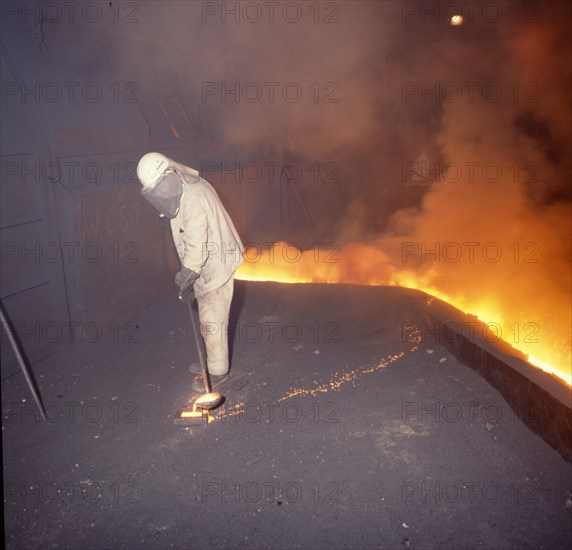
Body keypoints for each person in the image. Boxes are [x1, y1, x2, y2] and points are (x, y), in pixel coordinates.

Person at [137, 152, 244, 391]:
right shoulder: (184, 185)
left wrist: (186, 276)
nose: (161, 195)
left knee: (212, 319)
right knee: (207, 314)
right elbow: (180, 213)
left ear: (169, 175)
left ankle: (218, 372)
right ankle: (211, 358)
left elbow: (196, 249)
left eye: (161, 189)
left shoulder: (192, 198)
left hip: (215, 263)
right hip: (211, 260)